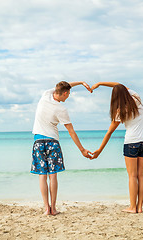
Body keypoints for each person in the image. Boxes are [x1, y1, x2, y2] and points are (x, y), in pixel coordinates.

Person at [30, 81, 92, 215]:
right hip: (52, 142)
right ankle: (53, 208)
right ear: (64, 93)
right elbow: (71, 131)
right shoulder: (61, 109)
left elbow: (64, 85)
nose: (68, 97)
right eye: (68, 94)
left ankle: (46, 208)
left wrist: (80, 82)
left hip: (38, 142)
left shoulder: (46, 95)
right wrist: (82, 149)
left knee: (42, 175)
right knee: (53, 176)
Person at [91, 82, 143, 213]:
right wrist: (100, 83)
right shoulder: (136, 97)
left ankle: (132, 207)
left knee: (132, 176)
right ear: (126, 91)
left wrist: (99, 150)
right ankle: (139, 207)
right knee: (141, 175)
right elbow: (119, 85)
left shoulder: (120, 111)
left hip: (131, 143)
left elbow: (109, 132)